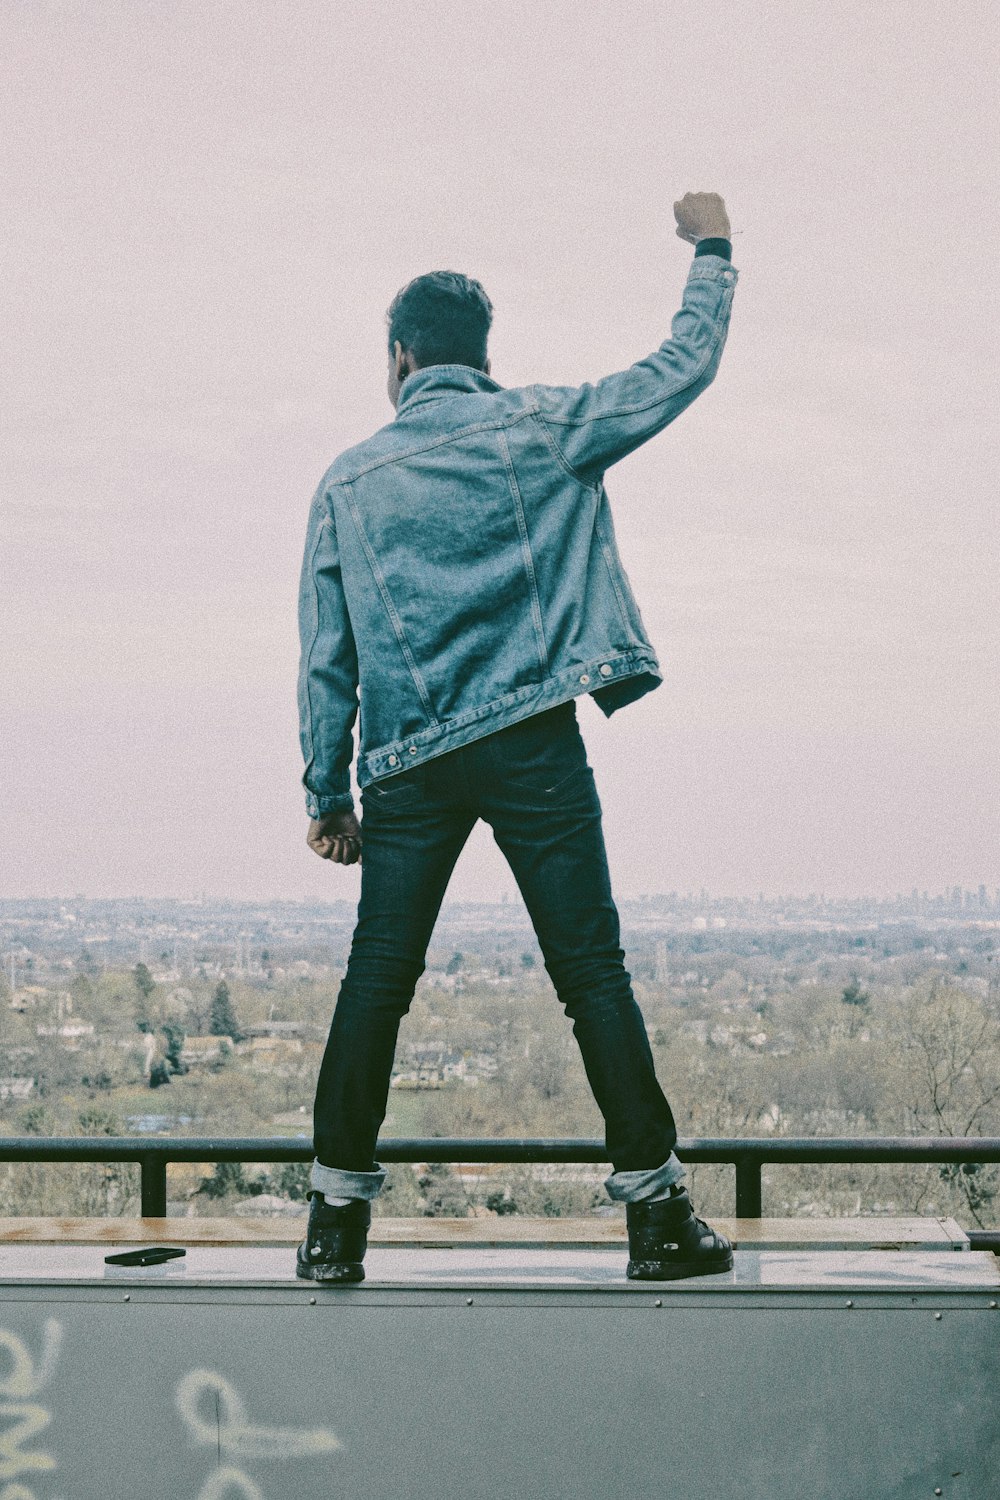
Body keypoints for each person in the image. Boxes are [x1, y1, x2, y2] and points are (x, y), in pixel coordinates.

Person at [295, 191, 739, 1284]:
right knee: (591, 974)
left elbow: (326, 654)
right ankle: (655, 1217)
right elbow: (678, 368)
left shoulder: (348, 481)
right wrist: (713, 250)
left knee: (375, 984)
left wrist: (326, 795)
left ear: (399, 358)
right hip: (532, 742)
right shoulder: (543, 428)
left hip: (404, 765)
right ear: (478, 357)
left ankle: (332, 1228)